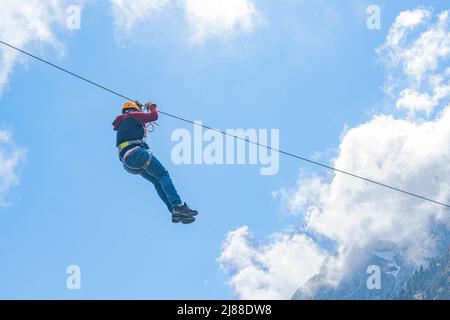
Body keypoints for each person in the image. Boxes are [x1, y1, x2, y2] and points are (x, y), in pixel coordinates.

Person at [113, 101, 198, 224]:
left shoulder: (122, 122)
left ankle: (175, 212)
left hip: (128, 163)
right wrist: (152, 106)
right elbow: (154, 116)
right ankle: (178, 206)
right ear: (133, 110)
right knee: (163, 175)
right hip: (136, 154)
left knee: (157, 182)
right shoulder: (132, 116)